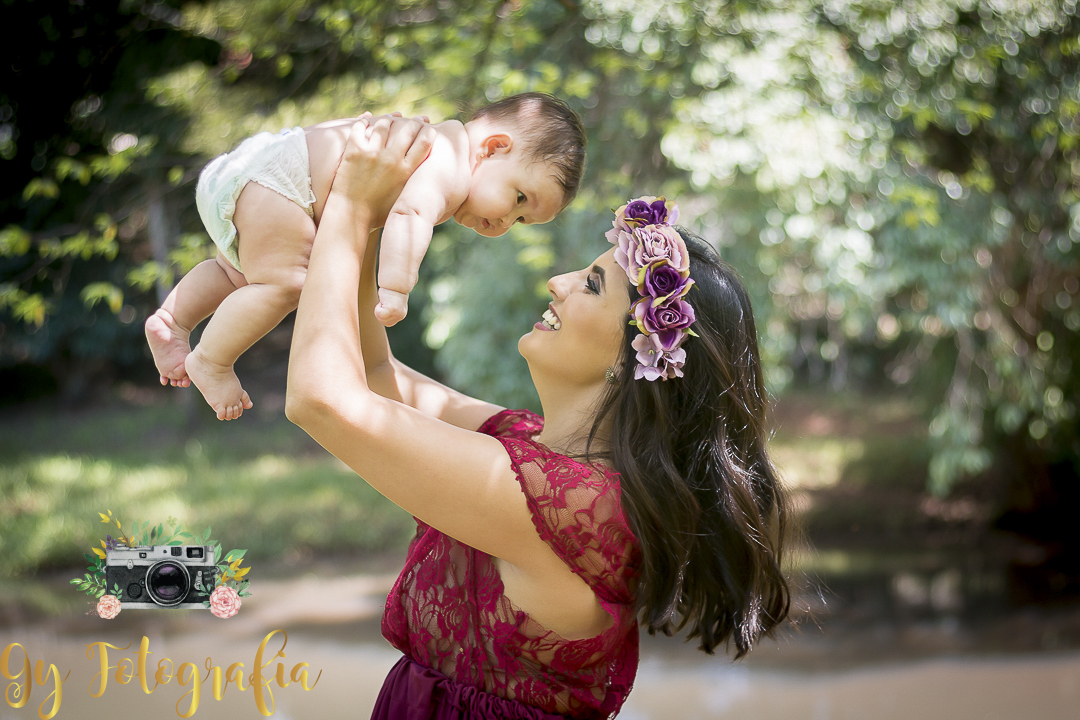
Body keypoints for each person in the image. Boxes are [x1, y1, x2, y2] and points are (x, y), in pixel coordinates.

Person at [285, 116, 791, 720]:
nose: (557, 282)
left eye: (593, 285)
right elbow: (371, 378)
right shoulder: (527, 448)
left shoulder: (575, 508)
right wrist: (368, 213)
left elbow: (320, 399)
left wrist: (346, 204)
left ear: (632, 361)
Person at [145, 93, 586, 420]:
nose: (505, 221)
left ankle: (171, 321)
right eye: (518, 198)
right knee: (286, 284)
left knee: (240, 275)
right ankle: (212, 360)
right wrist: (393, 288)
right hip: (279, 182)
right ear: (492, 148)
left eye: (522, 220)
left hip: (255, 171)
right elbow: (409, 215)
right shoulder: (450, 163)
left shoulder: (440, 142)